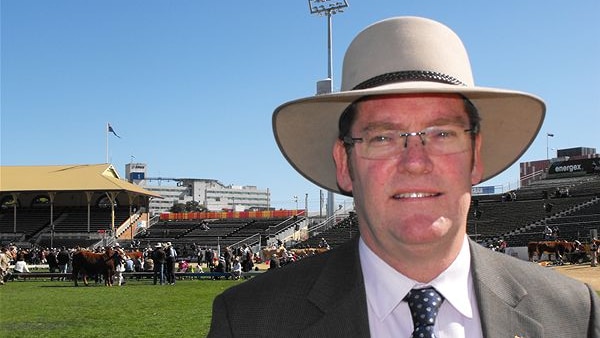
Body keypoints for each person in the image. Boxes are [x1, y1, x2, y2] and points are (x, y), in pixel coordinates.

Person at [208, 16, 599, 337]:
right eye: (383, 137)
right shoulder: (248, 322)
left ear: (476, 157)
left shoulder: (575, 316)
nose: (415, 162)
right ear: (345, 165)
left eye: (443, 134)